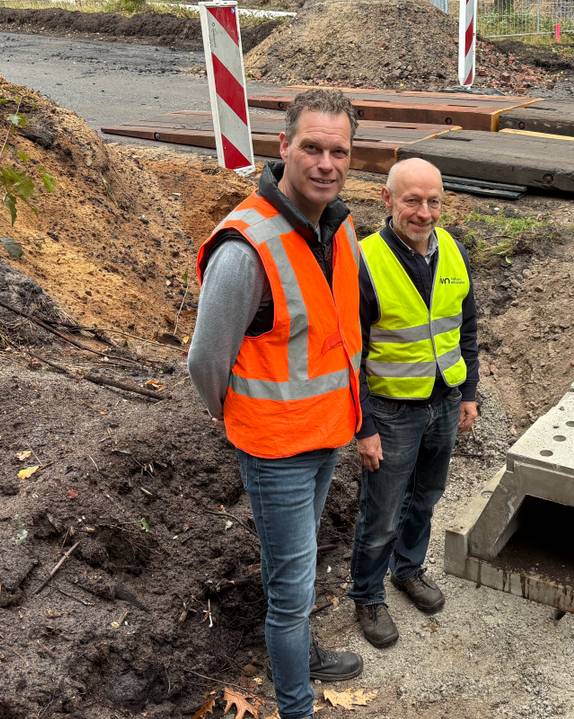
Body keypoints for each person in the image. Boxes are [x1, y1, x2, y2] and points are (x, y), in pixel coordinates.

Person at [188, 89, 365, 719]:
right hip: (276, 451)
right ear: (283, 147)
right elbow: (205, 361)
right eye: (311, 147)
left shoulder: (336, 227)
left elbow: (339, 334)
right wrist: (234, 415)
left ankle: (302, 656)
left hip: (325, 436)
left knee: (301, 565)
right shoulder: (247, 247)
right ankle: (297, 705)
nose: (325, 162)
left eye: (337, 150)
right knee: (290, 591)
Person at [347, 158, 480, 648]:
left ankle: (408, 570)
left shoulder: (453, 252)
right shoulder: (364, 261)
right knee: (381, 511)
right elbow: (350, 355)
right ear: (387, 200)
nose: (424, 213)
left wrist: (468, 394)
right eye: (412, 201)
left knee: (425, 498)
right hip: (391, 411)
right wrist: (363, 427)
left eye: (433, 201)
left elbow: (465, 330)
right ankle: (367, 594)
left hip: (443, 403)